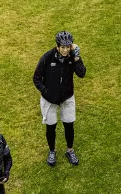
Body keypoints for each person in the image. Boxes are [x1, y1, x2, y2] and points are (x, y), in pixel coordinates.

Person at [32, 30, 86, 166]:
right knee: (51, 126)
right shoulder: (47, 58)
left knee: (69, 124)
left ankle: (70, 150)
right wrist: (46, 92)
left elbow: (81, 73)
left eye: (68, 47)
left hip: (67, 97)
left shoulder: (72, 56)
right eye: (63, 47)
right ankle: (52, 151)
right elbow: (36, 78)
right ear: (57, 46)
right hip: (49, 99)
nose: (65, 50)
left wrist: (77, 57)